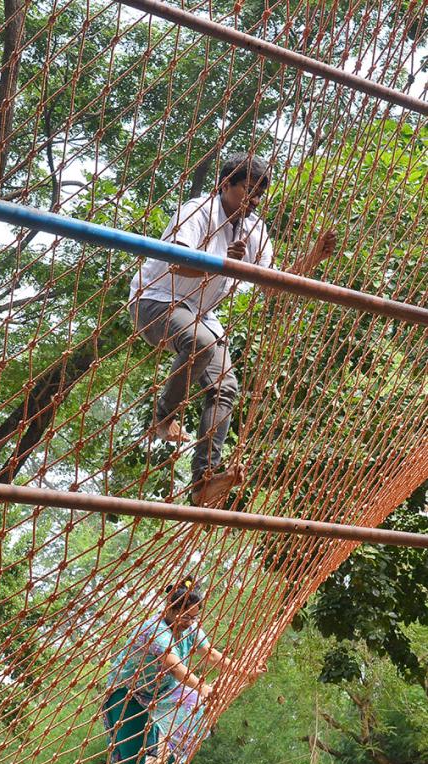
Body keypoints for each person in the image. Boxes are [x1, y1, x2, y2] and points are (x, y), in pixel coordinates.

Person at [129, 153, 336, 507]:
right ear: (225, 185)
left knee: (225, 387)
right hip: (157, 300)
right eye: (247, 192)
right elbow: (177, 263)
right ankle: (164, 417)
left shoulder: (254, 229)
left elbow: (273, 285)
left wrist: (314, 256)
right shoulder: (197, 211)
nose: (253, 202)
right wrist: (225, 266)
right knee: (199, 343)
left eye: (259, 195)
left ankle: (203, 482)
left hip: (201, 312)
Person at [103, 578, 261, 764]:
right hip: (128, 692)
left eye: (194, 617)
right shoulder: (154, 631)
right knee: (135, 752)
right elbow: (176, 667)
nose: (190, 622)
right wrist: (203, 687)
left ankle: (176, 763)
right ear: (171, 610)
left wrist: (243, 671)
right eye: (186, 617)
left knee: (197, 709)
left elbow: (209, 653)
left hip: (162, 689)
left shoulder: (190, 628)